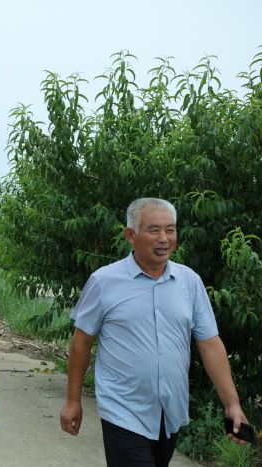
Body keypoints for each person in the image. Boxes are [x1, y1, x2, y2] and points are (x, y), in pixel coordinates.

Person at [59, 197, 249, 467]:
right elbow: (82, 342)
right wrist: (72, 401)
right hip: (122, 409)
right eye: (154, 230)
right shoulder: (104, 281)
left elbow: (209, 344)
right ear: (130, 235)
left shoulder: (189, 282)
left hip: (170, 411)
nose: (163, 238)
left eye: (170, 230)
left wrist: (232, 404)